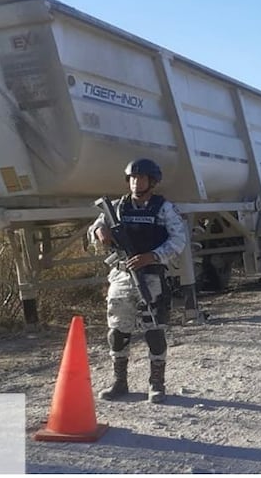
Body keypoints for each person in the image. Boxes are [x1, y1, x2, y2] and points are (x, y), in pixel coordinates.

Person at [88, 158, 188, 403]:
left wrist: (152, 256)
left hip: (151, 275)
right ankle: (120, 383)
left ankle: (156, 385)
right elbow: (96, 227)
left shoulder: (164, 208)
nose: (135, 182)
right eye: (132, 178)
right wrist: (98, 232)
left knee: (153, 329)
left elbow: (178, 240)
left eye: (141, 178)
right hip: (122, 275)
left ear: (152, 182)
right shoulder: (117, 206)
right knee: (118, 330)